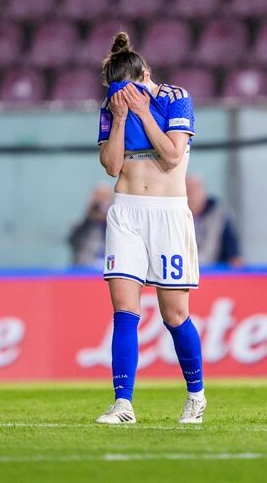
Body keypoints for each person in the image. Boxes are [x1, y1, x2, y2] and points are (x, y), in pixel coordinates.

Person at [95, 32, 206, 425]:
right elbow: (111, 165)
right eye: (118, 93)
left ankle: (196, 395)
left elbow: (173, 155)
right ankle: (123, 403)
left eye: (131, 89)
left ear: (145, 75)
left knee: (174, 315)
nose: (124, 97)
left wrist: (142, 112)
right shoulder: (112, 107)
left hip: (167, 213)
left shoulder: (175, 98)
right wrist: (120, 117)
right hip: (126, 212)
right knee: (125, 311)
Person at [186, 174, 244, 268]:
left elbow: (234, 255)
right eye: (187, 192)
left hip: (214, 272)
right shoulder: (178, 217)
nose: (190, 197)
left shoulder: (220, 214)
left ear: (203, 192)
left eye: (193, 191)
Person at [69, 184, 113, 268]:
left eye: (105, 197)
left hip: (108, 268)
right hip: (83, 268)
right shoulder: (79, 222)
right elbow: (73, 241)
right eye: (98, 196)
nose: (101, 200)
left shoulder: (116, 225)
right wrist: (90, 217)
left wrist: (108, 218)